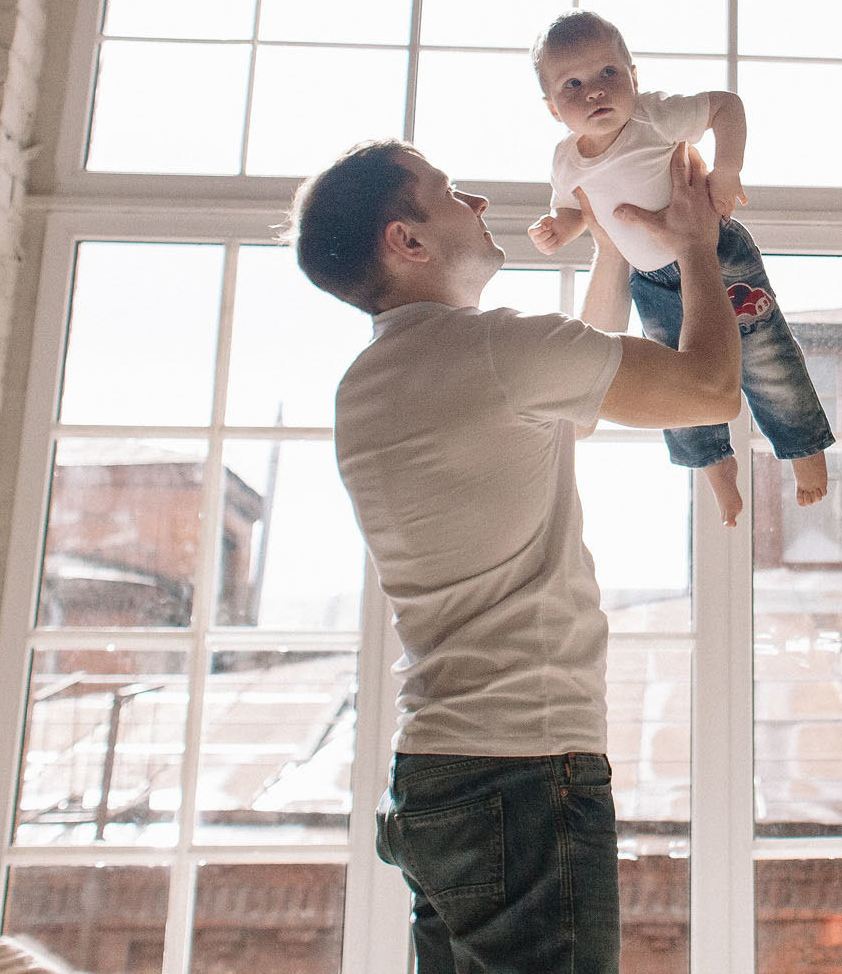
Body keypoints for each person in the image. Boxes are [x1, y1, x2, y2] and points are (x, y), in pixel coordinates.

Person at [290, 137, 739, 974]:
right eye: (449, 192)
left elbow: (574, 390)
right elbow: (708, 386)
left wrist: (610, 249)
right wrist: (695, 249)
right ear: (408, 241)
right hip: (523, 777)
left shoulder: (369, 383)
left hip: (437, 781)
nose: (479, 203)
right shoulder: (498, 353)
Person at [525, 9, 834, 527]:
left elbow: (726, 107)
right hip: (650, 283)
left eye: (608, 74)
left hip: (717, 253)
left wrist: (728, 169)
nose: (595, 93)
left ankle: (806, 454)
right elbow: (575, 207)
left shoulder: (652, 116)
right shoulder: (565, 160)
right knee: (675, 381)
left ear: (634, 77)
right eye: (572, 84)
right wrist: (562, 228)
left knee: (763, 354)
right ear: (554, 109)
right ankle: (717, 471)